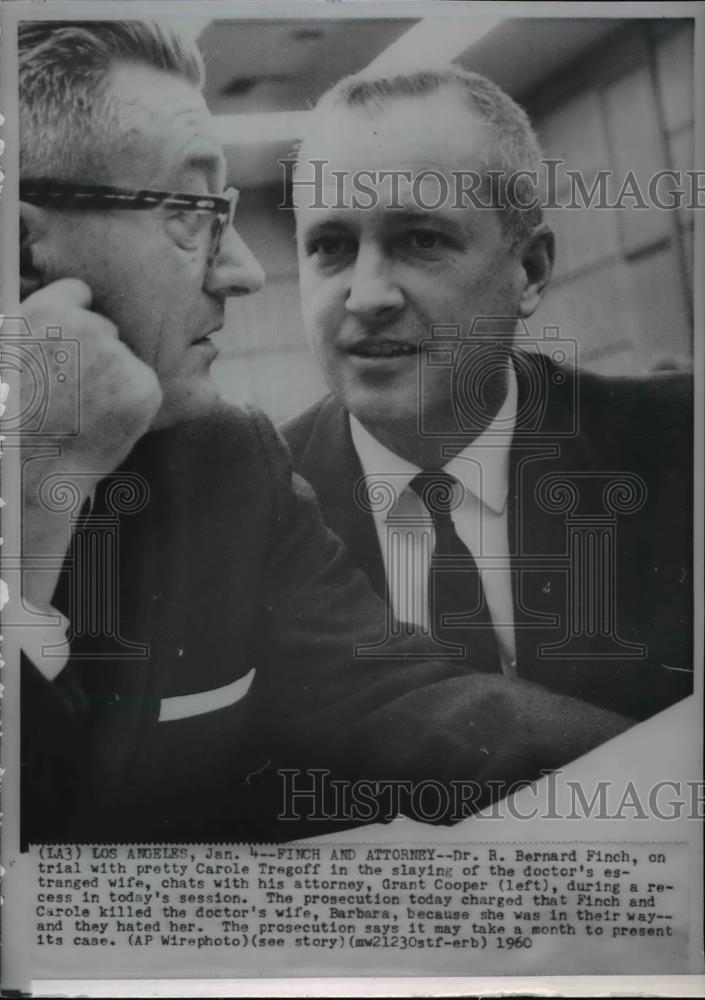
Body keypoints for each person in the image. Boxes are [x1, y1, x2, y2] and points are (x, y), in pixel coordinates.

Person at [16, 22, 631, 846]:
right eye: (190, 211)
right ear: (19, 249)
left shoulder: (223, 465)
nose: (243, 270)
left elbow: (398, 700)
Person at [284, 67, 693, 722]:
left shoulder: (679, 445)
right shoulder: (253, 503)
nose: (366, 295)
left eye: (421, 240)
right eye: (330, 246)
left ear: (527, 271)